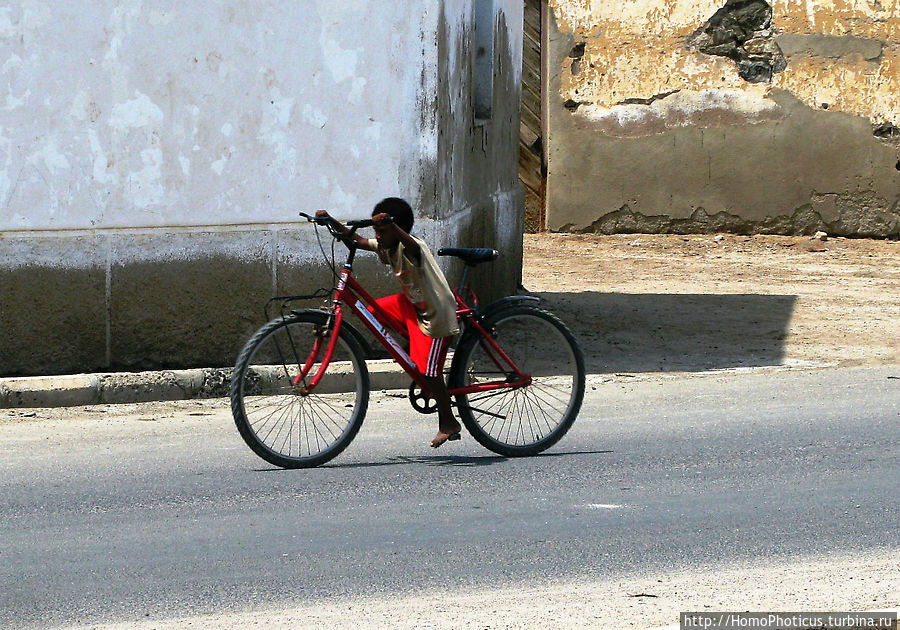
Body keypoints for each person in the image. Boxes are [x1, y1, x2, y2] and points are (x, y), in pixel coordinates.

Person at [315, 198, 462, 448]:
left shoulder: (412, 247)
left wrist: (393, 228)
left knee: (428, 372)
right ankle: (412, 347)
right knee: (373, 310)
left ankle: (448, 422)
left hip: (436, 316)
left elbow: (411, 245)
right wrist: (331, 221)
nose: (378, 236)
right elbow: (357, 241)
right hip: (414, 307)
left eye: (382, 231)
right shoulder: (387, 246)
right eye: (376, 231)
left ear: (396, 229)